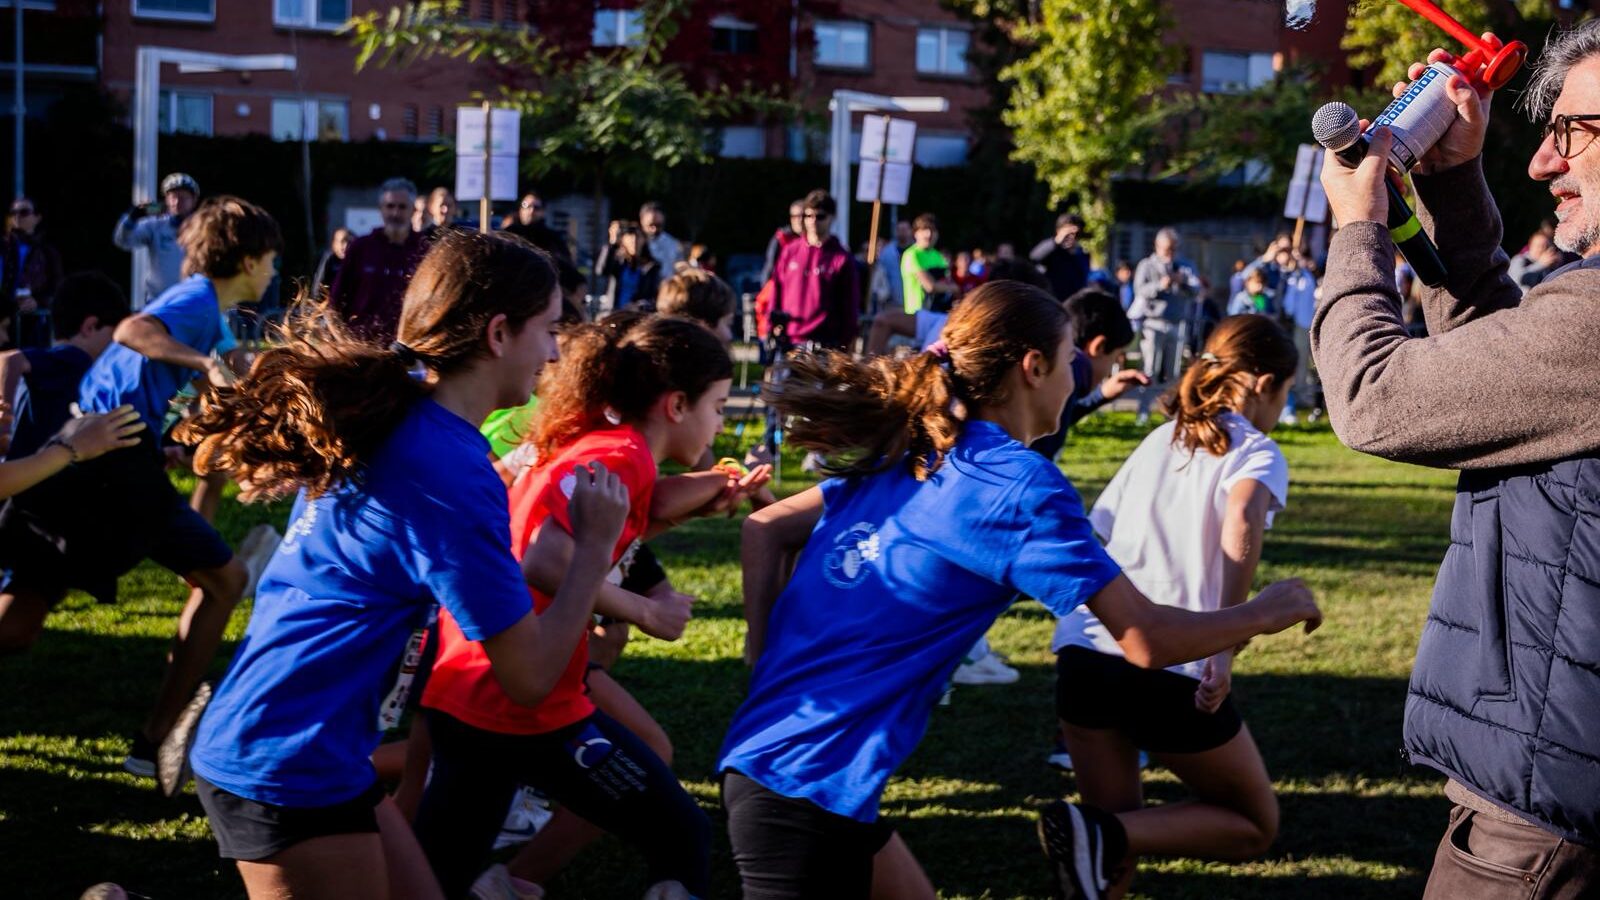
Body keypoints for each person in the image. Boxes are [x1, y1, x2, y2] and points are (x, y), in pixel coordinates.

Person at [721, 281, 1320, 899]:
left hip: (777, 762)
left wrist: (762, 658)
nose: (1075, 380)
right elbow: (1146, 640)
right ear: (1033, 369)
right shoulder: (1020, 486)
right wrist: (1262, 611)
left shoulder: (914, 449)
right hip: (804, 795)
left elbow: (764, 529)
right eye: (1070, 364)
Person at [178, 229, 624, 900]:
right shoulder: (444, 463)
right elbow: (529, 676)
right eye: (550, 329)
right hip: (288, 758)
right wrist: (592, 551)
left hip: (307, 740)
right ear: (499, 333)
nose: (557, 350)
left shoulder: (395, 418)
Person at [1315, 23, 1600, 896]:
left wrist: (1359, 225)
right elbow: (1511, 390)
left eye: (1573, 131)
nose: (1543, 165)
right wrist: (1449, 180)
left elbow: (1373, 396)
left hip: (1549, 811)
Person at [414, 315, 764, 900]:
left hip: (470, 683)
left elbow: (630, 509)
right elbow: (540, 555)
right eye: (720, 406)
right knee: (681, 834)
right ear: (677, 404)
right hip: (518, 701)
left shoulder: (607, 443)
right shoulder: (622, 454)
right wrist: (645, 612)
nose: (721, 421)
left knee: (439, 876)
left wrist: (708, 490)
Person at [0, 197, 279, 792]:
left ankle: (157, 734)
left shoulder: (215, 315)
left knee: (18, 624)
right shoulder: (199, 298)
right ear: (251, 259)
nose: (276, 270)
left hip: (98, 456)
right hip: (114, 460)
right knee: (225, 581)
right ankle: (153, 744)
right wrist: (205, 362)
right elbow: (134, 330)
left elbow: (215, 368)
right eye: (273, 258)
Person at [1051, 314, 1298, 899]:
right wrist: (1223, 645)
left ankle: (1094, 835)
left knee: (1107, 853)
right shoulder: (1256, 450)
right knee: (1253, 826)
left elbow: (1096, 533)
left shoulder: (1158, 438)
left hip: (1084, 654)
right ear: (1263, 385)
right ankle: (1096, 832)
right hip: (1167, 665)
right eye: (1286, 395)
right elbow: (1239, 522)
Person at [0, 272, 130, 461]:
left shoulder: (57, 365)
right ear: (90, 327)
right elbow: (9, 359)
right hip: (36, 483)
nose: (118, 344)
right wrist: (4, 425)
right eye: (115, 334)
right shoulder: (75, 358)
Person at [330, 178, 428, 343]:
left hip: (408, 350)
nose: (395, 213)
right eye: (390, 206)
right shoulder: (360, 248)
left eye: (402, 207)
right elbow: (335, 301)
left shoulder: (425, 251)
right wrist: (342, 341)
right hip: (362, 348)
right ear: (381, 209)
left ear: (413, 210)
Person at [772, 190, 859, 350]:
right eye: (808, 216)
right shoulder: (790, 251)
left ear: (832, 218)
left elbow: (849, 306)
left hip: (826, 344)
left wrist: (845, 342)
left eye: (820, 216)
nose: (813, 221)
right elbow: (776, 288)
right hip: (791, 340)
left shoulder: (841, 258)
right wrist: (774, 322)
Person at [1130, 228, 1201, 423]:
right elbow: (1139, 290)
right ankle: (1143, 412)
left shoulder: (1185, 265)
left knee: (1174, 373)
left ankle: (1169, 414)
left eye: (1174, 248)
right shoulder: (1147, 265)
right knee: (1149, 369)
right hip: (1153, 323)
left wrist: (1183, 281)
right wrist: (1160, 285)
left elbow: (1197, 290)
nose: (1170, 253)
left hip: (1178, 323)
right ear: (1157, 246)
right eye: (1167, 249)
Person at [866, 213, 956, 356]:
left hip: (939, 316)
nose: (928, 234)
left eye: (932, 230)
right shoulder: (911, 255)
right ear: (915, 233)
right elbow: (930, 286)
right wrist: (947, 287)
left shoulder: (938, 257)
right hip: (916, 316)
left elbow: (952, 287)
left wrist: (947, 287)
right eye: (924, 229)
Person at [112, 172, 199, 307]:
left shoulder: (203, 227)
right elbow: (122, 241)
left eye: (183, 197)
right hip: (158, 301)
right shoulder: (154, 225)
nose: (177, 202)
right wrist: (132, 216)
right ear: (166, 199)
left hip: (191, 301)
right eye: (173, 197)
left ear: (193, 200)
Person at [4, 197, 63, 348]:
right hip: (5, 318)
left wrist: (37, 301)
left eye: (24, 212)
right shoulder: (4, 247)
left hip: (33, 322)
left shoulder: (47, 251)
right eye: (13, 212)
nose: (17, 216)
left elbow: (56, 286)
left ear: (37, 218)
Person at [1277, 254, 1319, 423]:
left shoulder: (1307, 277)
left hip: (1305, 323)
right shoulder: (1288, 277)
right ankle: (1293, 400)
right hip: (1292, 324)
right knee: (1294, 363)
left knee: (1305, 363)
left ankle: (1303, 396)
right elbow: (1288, 303)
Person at [595, 221, 662, 310]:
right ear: (623, 240)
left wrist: (639, 306)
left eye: (638, 236)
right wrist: (612, 244)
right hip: (613, 314)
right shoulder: (618, 262)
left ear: (644, 240)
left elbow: (654, 298)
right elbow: (601, 271)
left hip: (637, 317)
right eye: (630, 236)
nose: (634, 240)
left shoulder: (651, 267)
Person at [1030, 213, 1092, 300]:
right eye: (1068, 234)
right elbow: (1034, 257)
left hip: (1074, 306)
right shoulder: (1052, 251)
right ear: (1058, 231)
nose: (1072, 237)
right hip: (1052, 304)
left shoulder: (1082, 255)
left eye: (1076, 234)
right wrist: (1057, 241)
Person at [504, 192, 571, 260]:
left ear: (543, 212)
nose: (531, 211)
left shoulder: (552, 239)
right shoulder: (509, 234)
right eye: (526, 205)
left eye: (536, 207)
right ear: (520, 209)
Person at [760, 199, 805, 286]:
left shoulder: (814, 240)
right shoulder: (781, 238)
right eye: (795, 216)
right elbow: (769, 268)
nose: (799, 220)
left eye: (803, 216)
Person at [639, 201, 683, 271]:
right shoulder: (633, 244)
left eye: (658, 225)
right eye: (650, 225)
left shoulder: (673, 245)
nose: (654, 230)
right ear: (642, 221)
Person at [312, 227, 352, 300]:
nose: (344, 246)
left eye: (348, 242)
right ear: (333, 244)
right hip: (329, 303)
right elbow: (318, 285)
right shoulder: (329, 258)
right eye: (341, 242)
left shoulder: (354, 259)